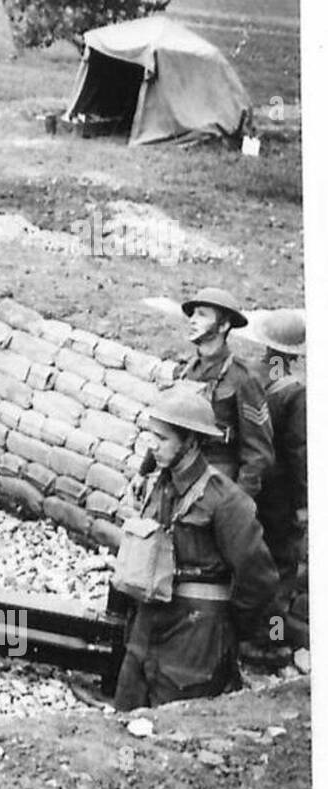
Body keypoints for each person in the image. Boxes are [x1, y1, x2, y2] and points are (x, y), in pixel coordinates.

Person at [112, 388, 280, 710]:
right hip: (147, 628)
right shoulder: (158, 485)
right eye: (151, 437)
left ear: (190, 441)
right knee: (125, 720)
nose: (153, 447)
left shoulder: (225, 500)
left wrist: (226, 627)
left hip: (194, 639)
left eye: (162, 439)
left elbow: (260, 579)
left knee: (176, 731)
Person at [244, 308, 308, 650]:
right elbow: (299, 453)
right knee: (281, 570)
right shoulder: (294, 392)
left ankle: (242, 632)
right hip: (280, 496)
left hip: (250, 484)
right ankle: (271, 642)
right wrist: (303, 504)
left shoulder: (251, 375)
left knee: (251, 562)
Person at [176, 287, 274, 499]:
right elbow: (168, 429)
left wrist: (237, 502)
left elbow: (258, 454)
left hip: (218, 483)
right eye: (192, 314)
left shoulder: (244, 379)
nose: (192, 319)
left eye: (202, 314)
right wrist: (144, 471)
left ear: (224, 325)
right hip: (181, 476)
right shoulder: (185, 372)